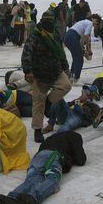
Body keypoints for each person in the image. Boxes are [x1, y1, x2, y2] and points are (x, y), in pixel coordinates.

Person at [0, 131, 86, 204]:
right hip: (53, 156)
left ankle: (12, 197)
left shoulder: (52, 137)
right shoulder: (75, 136)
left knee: (32, 179)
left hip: (37, 157)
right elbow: (81, 160)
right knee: (53, 179)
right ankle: (32, 198)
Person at [21, 8, 72, 142]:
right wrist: (28, 71)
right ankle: (38, 130)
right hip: (39, 75)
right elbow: (27, 54)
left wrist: (66, 67)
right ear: (42, 21)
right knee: (38, 102)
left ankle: (49, 102)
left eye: (50, 21)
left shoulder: (55, 35)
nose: (48, 23)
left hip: (55, 71)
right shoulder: (35, 35)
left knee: (66, 85)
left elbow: (61, 53)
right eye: (46, 21)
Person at [64, 14, 94, 80]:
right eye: (96, 21)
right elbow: (86, 36)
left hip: (67, 36)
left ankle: (71, 75)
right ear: (92, 19)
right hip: (73, 36)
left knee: (76, 57)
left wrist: (84, 49)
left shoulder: (83, 22)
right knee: (79, 59)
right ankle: (76, 78)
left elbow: (82, 40)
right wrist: (88, 49)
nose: (95, 24)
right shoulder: (90, 23)